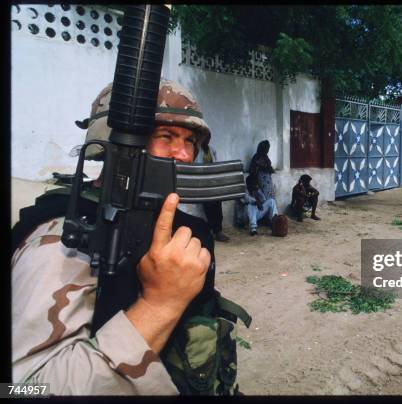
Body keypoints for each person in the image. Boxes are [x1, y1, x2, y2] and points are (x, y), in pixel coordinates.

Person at [11, 80, 248, 395]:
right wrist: (159, 305)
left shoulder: (176, 225)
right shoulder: (61, 242)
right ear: (114, 145)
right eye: (166, 136)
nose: (184, 153)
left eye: (189, 140)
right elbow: (24, 388)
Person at [200, 131, 230, 242]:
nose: (207, 140)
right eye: (205, 138)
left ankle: (218, 231)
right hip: (203, 184)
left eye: (208, 138)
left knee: (218, 205)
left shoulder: (212, 150)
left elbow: (216, 164)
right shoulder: (198, 150)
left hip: (213, 183)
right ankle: (215, 231)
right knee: (209, 207)